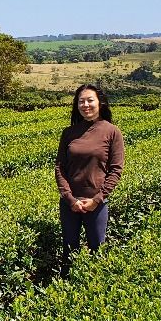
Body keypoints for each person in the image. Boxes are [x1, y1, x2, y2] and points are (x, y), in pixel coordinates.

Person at [55, 83, 124, 263]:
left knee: (97, 251)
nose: (85, 105)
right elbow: (60, 167)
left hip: (96, 204)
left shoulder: (112, 132)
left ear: (100, 103)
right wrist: (70, 199)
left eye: (90, 100)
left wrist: (96, 200)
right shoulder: (69, 133)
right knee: (69, 252)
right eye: (81, 101)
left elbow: (116, 170)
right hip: (70, 204)